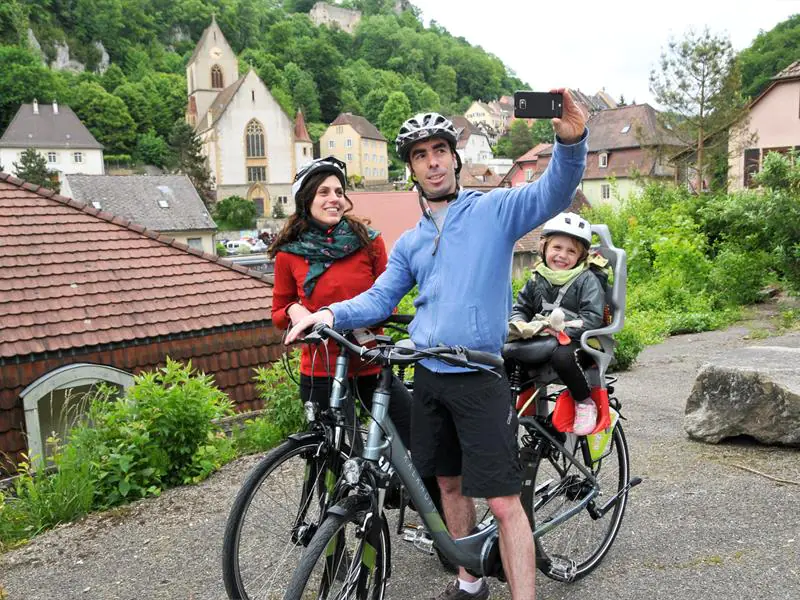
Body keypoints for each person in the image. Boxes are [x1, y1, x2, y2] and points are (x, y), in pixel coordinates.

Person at [286, 88, 588, 600]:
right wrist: (329, 313)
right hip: (429, 378)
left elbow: (553, 192)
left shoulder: (494, 212)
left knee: (503, 501)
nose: (432, 163)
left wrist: (572, 137)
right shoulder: (410, 242)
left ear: (455, 158)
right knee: (446, 485)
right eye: (421, 155)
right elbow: (381, 297)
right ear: (413, 168)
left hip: (479, 376)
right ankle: (470, 583)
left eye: (439, 151)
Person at [269, 156, 412, 447]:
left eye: (338, 192)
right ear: (306, 199)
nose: (334, 199)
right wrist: (293, 309)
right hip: (321, 369)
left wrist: (348, 316)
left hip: (369, 363)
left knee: (415, 435)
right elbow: (278, 313)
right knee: (331, 456)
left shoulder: (369, 242)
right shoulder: (289, 253)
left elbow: (389, 303)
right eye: (324, 192)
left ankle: (405, 492)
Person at [508, 212, 605, 435]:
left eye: (571, 251)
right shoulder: (537, 277)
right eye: (557, 248)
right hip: (543, 339)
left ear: (581, 257)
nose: (562, 255)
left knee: (562, 356)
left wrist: (563, 330)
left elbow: (592, 317)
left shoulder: (586, 280)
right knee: (507, 353)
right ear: (544, 248)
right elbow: (521, 307)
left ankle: (584, 402)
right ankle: (516, 401)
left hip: (578, 342)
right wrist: (519, 324)